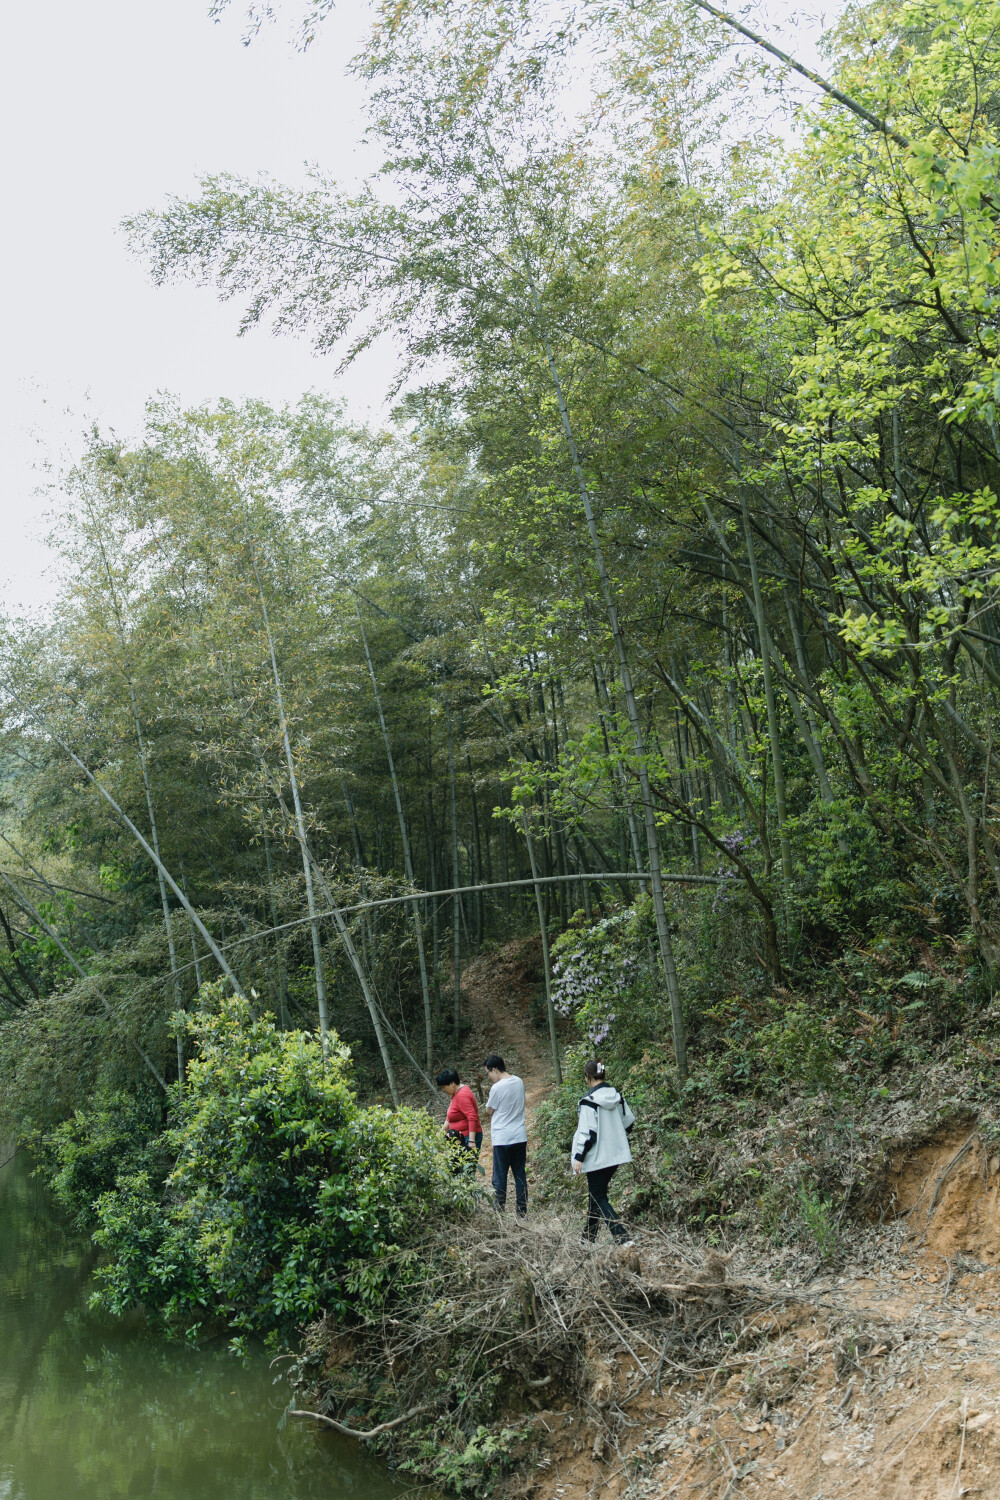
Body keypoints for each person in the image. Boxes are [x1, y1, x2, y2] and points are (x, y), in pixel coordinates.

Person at [571, 1058, 635, 1244]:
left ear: (587, 1077)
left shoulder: (588, 1102)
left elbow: (588, 1133)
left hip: (597, 1158)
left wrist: (579, 1157)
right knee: (596, 1196)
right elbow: (628, 1123)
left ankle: (623, 1239)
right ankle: (588, 1239)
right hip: (615, 1155)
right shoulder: (617, 1096)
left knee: (598, 1198)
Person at [483, 1054, 527, 1217]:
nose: (489, 1077)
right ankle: (522, 1213)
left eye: (488, 1073)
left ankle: (499, 1212)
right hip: (519, 1136)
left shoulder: (497, 1088)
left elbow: (489, 1110)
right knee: (520, 1175)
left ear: (495, 1069)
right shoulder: (519, 1081)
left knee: (500, 1176)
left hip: (502, 1138)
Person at [436, 1069, 483, 1169]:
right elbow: (450, 1116)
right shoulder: (455, 1094)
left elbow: (472, 1117)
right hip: (458, 1138)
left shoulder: (462, 1095)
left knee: (467, 1169)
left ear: (452, 1084)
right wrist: (442, 1131)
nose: (444, 1090)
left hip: (467, 1138)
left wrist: (471, 1140)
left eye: (444, 1087)